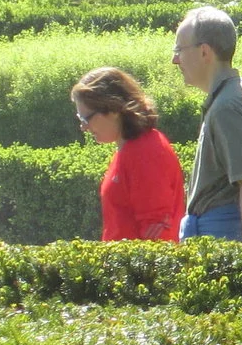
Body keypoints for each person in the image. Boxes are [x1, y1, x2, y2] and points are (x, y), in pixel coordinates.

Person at [172, 5, 242, 242]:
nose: (175, 59)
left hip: (224, 239)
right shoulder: (229, 97)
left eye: (179, 49)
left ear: (204, 52)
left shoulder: (228, 106)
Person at [73, 66, 184, 242]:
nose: (83, 127)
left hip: (137, 267)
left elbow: (158, 233)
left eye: (86, 119)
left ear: (114, 110)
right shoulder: (129, 148)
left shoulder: (145, 152)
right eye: (80, 119)